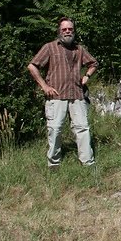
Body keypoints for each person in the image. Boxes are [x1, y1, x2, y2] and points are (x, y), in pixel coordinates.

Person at [27, 17, 98, 168]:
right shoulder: (50, 47)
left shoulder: (79, 49)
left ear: (74, 31)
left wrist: (87, 76)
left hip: (77, 95)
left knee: (83, 128)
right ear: (59, 31)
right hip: (56, 95)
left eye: (70, 29)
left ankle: (88, 163)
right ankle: (54, 163)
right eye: (64, 29)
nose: (67, 32)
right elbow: (32, 66)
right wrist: (44, 86)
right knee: (55, 129)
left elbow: (93, 63)